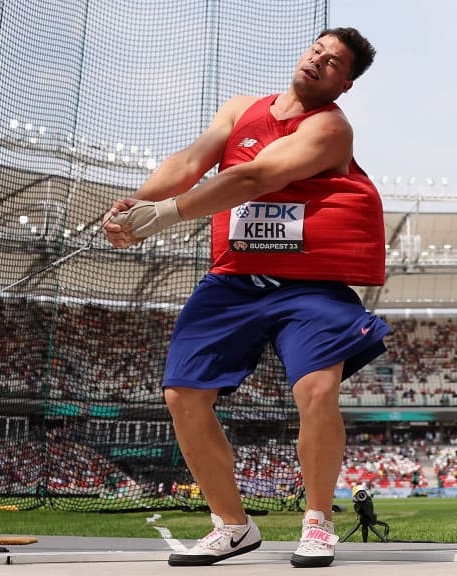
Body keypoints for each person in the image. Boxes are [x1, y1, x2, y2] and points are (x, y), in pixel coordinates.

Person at [103, 27, 388, 568]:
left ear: (344, 84)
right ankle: (232, 526)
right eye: (316, 51)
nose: (319, 62)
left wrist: (162, 216)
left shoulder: (329, 129)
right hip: (235, 279)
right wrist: (135, 204)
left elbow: (255, 176)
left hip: (310, 286)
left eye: (333, 64)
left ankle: (318, 522)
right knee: (182, 395)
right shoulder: (240, 109)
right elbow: (191, 162)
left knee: (318, 391)